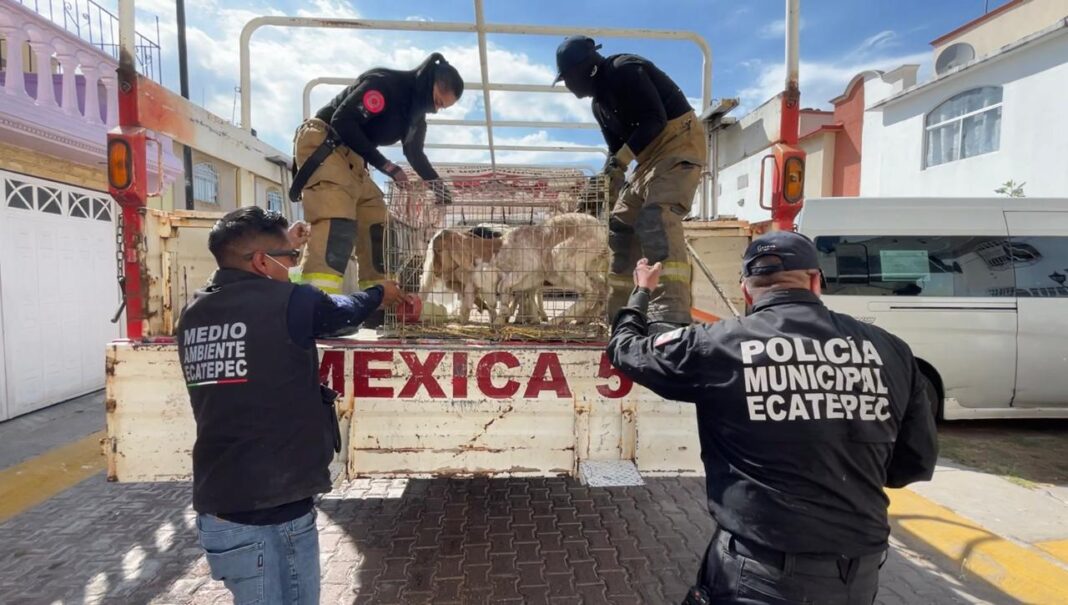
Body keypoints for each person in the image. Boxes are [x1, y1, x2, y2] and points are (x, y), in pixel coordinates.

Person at [606, 231, 938, 604]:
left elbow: (626, 349)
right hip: (855, 577)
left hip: (757, 574)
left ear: (746, 290)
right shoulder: (890, 350)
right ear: (815, 281)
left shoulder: (718, 344)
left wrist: (642, 291)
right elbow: (912, 464)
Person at [176, 206, 407, 604]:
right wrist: (379, 293)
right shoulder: (289, 302)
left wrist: (289, 244)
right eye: (290, 258)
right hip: (277, 513)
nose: (295, 266)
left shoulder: (192, 313)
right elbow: (344, 313)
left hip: (219, 509)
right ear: (262, 262)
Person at [554, 35, 707, 333]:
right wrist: (603, 186)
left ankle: (670, 316)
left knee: (656, 216)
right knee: (621, 225)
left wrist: (621, 162)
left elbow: (654, 120)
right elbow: (616, 152)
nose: (568, 86)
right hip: (648, 161)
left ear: (584, 68)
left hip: (678, 146)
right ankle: (620, 315)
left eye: (567, 79)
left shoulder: (624, 70)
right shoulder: (599, 105)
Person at [290, 53, 464, 299]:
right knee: (336, 220)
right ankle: (315, 305)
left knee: (378, 223)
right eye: (437, 101)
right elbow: (343, 120)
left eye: (441, 107)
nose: (435, 109)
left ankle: (377, 301)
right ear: (429, 83)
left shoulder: (415, 120)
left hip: (354, 158)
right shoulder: (384, 85)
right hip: (325, 141)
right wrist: (387, 167)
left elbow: (415, 154)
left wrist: (440, 190)